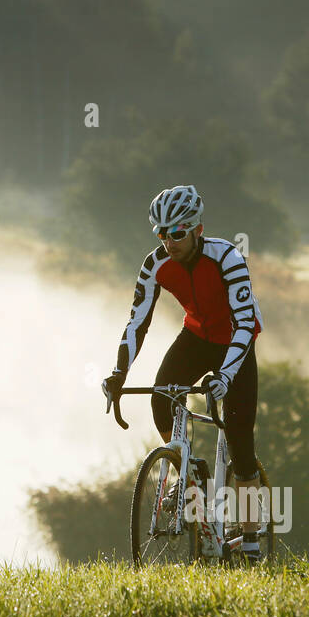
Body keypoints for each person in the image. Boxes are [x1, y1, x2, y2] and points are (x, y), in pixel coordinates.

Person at [101, 185, 266, 559]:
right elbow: (136, 322)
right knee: (161, 398)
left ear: (197, 229)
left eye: (176, 233)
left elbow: (244, 323)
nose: (169, 242)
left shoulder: (227, 258)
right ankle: (187, 466)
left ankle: (252, 538)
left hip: (235, 342)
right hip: (195, 336)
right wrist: (118, 373)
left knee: (240, 439)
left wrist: (224, 376)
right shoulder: (154, 264)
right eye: (161, 233)